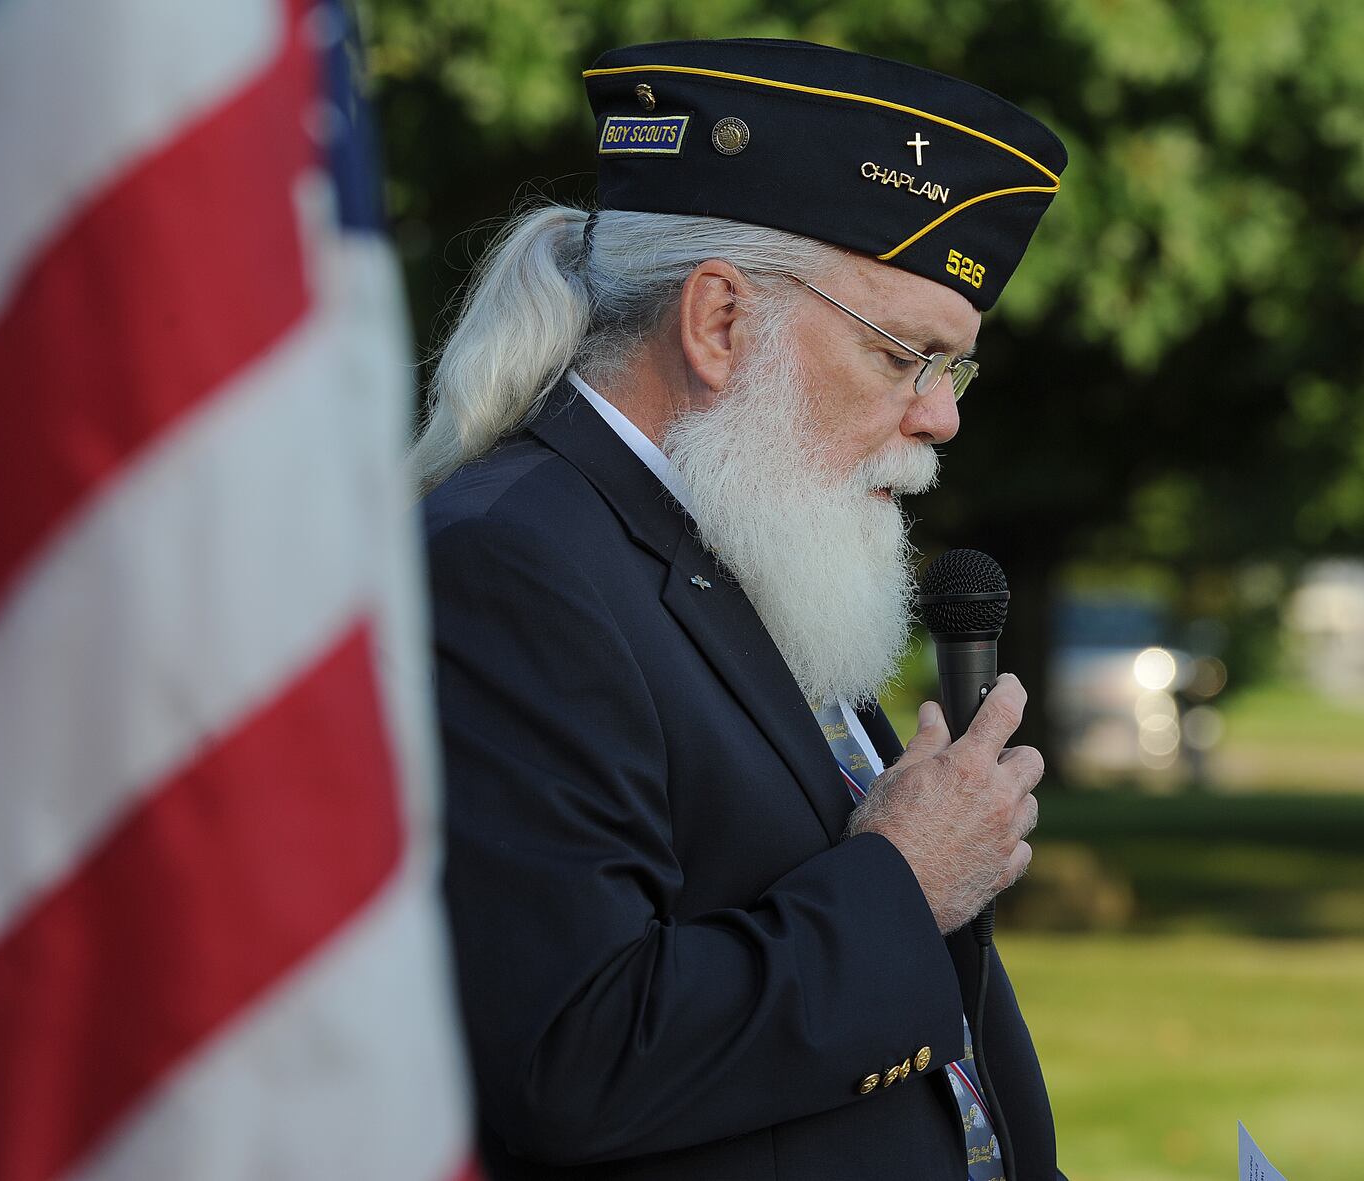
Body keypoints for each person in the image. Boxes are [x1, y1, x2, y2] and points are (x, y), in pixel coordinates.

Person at [417, 38, 1067, 1181]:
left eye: (951, 369)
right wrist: (906, 880)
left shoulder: (750, 534)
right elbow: (572, 1061)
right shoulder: (508, 564)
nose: (940, 419)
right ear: (717, 320)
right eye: (899, 354)